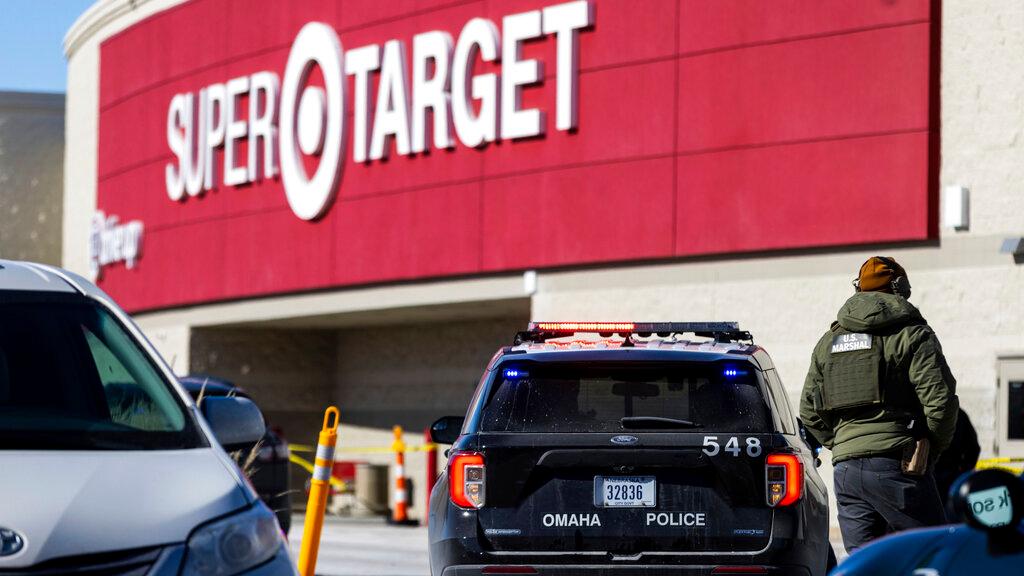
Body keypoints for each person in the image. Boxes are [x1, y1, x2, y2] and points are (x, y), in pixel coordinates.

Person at [800, 256, 958, 552]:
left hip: (846, 472)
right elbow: (941, 401)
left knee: (867, 564)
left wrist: (845, 443)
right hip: (897, 464)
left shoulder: (828, 341)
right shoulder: (911, 334)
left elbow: (808, 410)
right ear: (899, 288)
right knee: (935, 552)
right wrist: (928, 450)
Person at [934, 408, 981, 508]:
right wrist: (963, 472)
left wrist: (963, 471)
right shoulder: (959, 413)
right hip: (950, 475)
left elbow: (973, 448)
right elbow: (973, 448)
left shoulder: (920, 412)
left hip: (941, 474)